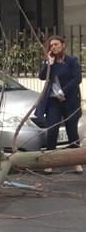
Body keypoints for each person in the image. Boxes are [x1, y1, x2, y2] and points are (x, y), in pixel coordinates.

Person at [37, 35, 83, 174]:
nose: (53, 47)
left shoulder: (72, 61)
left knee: (71, 131)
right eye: (51, 45)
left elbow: (77, 78)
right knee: (52, 130)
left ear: (63, 45)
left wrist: (64, 91)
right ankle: (50, 162)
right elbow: (42, 76)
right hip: (53, 101)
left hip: (70, 100)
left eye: (56, 44)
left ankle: (76, 162)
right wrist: (48, 63)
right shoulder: (50, 62)